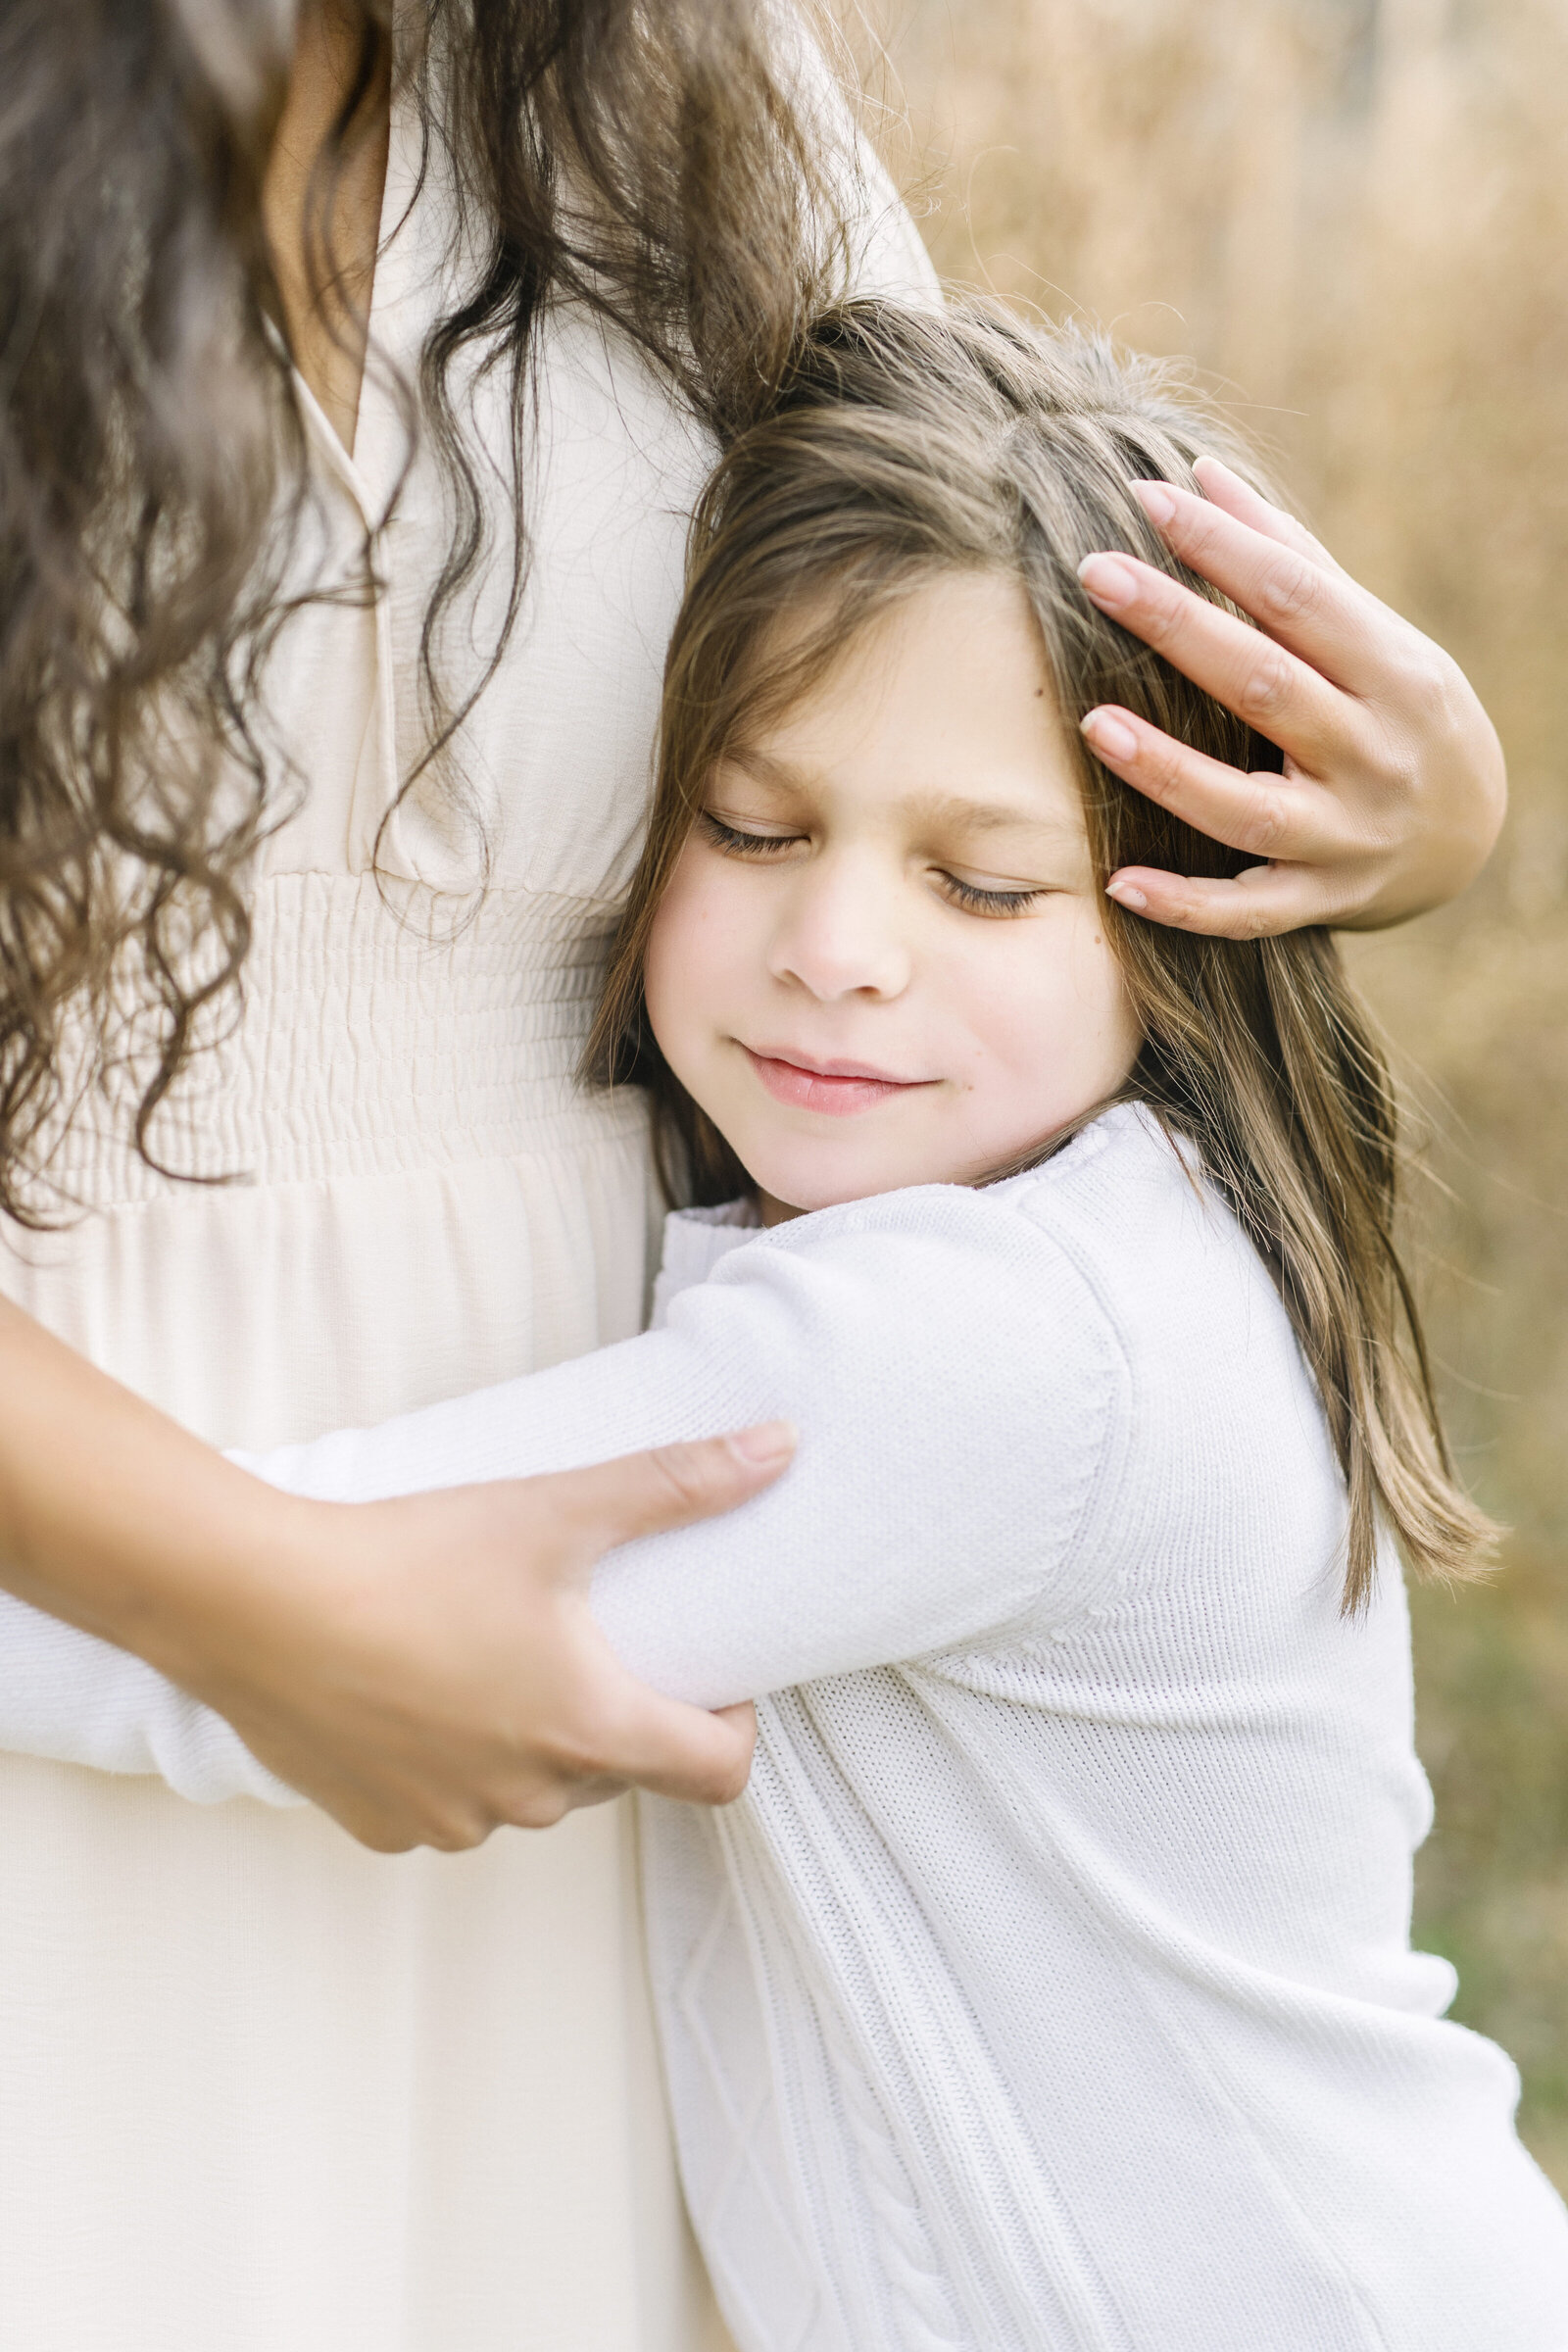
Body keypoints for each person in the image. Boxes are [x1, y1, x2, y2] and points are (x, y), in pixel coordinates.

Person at [0, 5, 1511, 2351]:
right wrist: (236, 1585)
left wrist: (1428, 807)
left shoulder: (973, 1350)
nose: (835, 952)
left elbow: (964, 557)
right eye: (750, 825)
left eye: (976, 888)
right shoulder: (1013, 1272)